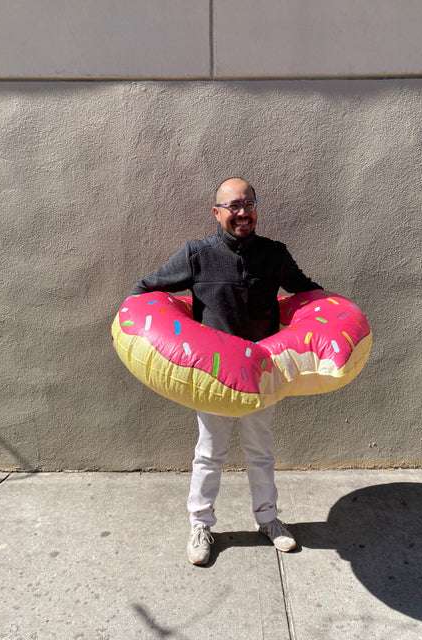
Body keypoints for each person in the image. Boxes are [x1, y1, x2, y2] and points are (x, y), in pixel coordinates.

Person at [129, 177, 323, 565]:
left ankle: (268, 520)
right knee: (209, 453)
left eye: (248, 203)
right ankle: (201, 525)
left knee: (260, 451)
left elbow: (306, 292)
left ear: (255, 209)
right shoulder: (197, 254)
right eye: (233, 205)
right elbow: (146, 289)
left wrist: (334, 315)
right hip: (213, 378)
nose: (242, 212)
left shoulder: (275, 254)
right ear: (217, 212)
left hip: (260, 375)